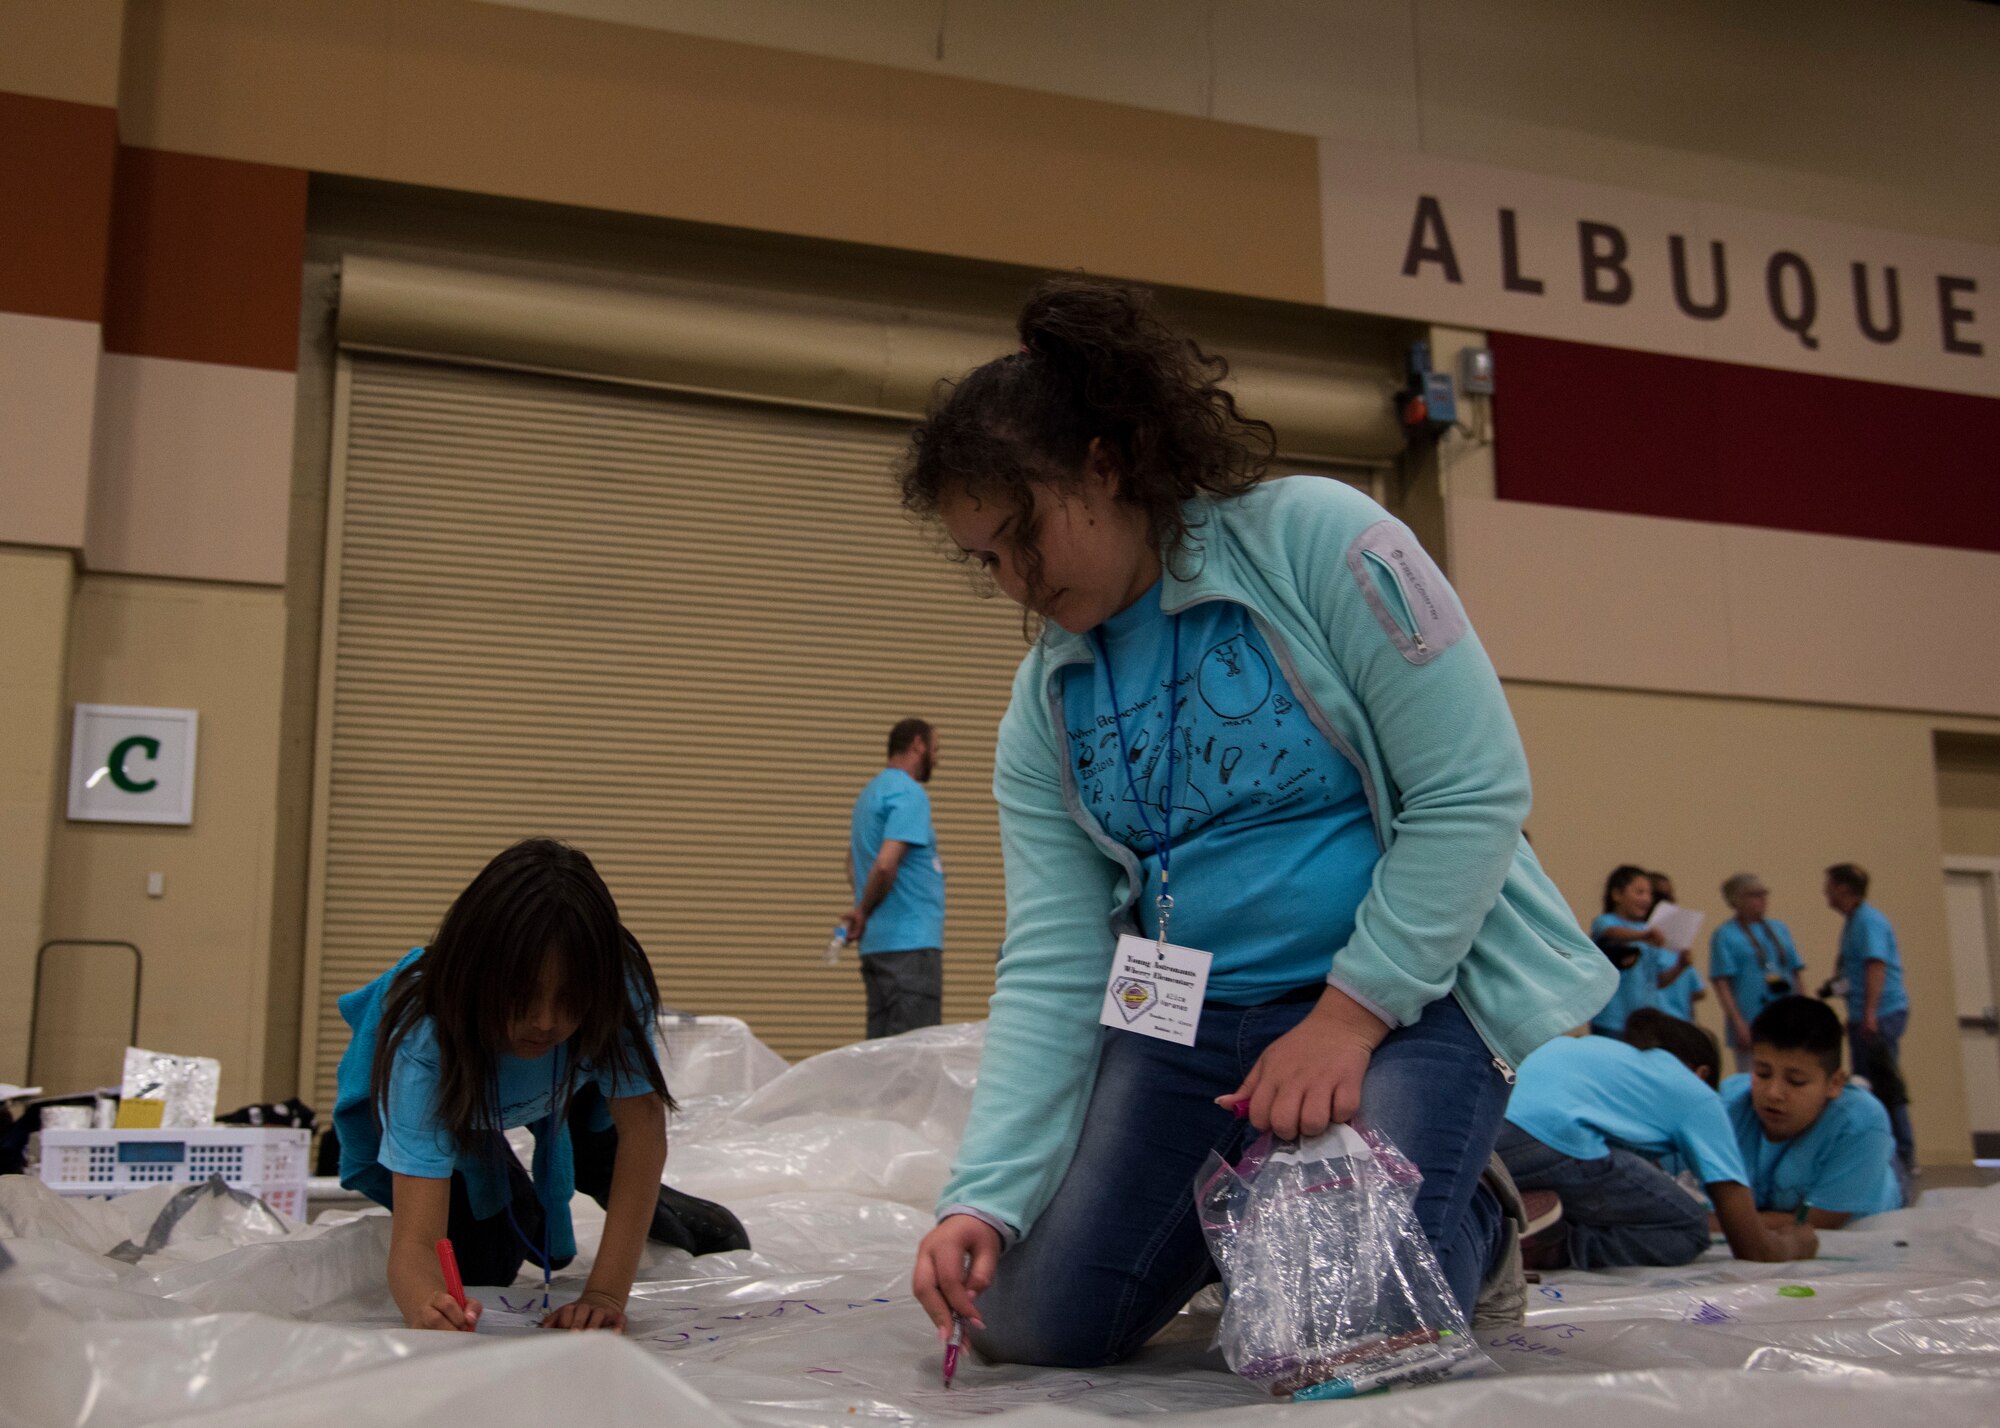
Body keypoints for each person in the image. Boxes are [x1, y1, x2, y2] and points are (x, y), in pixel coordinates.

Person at [895, 276, 1616, 1368]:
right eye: (984, 560)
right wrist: (981, 1203)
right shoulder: (1042, 708)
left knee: (1339, 1332)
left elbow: (1471, 795)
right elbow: (1050, 959)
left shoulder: (1322, 542)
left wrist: (1347, 1016)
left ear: (1104, 463)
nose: (1012, 586)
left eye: (1021, 538)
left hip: (1400, 1008)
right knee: (1023, 1325)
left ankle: (1475, 1221)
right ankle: (1269, 1217)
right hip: (1187, 1027)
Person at [332, 839, 748, 1333]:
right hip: (465, 1096)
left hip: (571, 1089)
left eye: (572, 999)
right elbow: (417, 1241)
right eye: (520, 996)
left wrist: (605, 1294)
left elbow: (642, 1133)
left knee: (626, 1173)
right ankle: (512, 1193)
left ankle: (662, 1203)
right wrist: (426, 1303)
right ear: (475, 976)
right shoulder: (427, 1039)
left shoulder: (615, 986)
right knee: (487, 1262)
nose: (546, 1022)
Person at [1498, 1010, 1819, 1269]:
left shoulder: (1588, 1054)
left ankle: (1500, 1221)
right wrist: (1799, 1241)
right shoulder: (1697, 1095)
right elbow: (1752, 1247)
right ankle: (1551, 1247)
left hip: (1485, 1138)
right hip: (1555, 1140)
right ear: (1702, 1074)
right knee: (1688, 1229)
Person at [1723, 996, 1903, 1223]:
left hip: (1862, 1220)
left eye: (1796, 1081)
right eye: (1762, 1073)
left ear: (1835, 1083)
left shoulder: (1861, 1123)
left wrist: (1725, 1220)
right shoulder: (1727, 1106)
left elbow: (1816, 1220)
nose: (1773, 1093)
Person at [840, 718, 948, 1038]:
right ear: (918, 745)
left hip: (877, 948)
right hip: (910, 947)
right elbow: (886, 864)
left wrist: (863, 906)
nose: (937, 759)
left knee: (882, 1062)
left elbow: (851, 862)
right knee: (914, 1062)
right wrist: (863, 911)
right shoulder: (908, 792)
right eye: (936, 749)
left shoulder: (869, 795)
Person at [1823, 862, 1916, 1174]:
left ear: (1844, 888)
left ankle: (1903, 1153)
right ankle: (1884, 1151)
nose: (1826, 892)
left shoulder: (1867, 921)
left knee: (1885, 1083)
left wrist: (1870, 1014)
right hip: (1864, 1012)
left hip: (1881, 1012)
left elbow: (1875, 966)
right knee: (1869, 1083)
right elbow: (1852, 971)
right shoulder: (1854, 921)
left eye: (1830, 886)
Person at [1709, 872, 1805, 1073]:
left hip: (1786, 1015)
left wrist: (1804, 1010)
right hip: (1751, 1017)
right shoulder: (1725, 935)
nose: (1762, 900)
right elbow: (1722, 983)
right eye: (1754, 895)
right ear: (1736, 900)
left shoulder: (1779, 929)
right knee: (1754, 1074)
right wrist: (1738, 1023)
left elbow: (1795, 971)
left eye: (1764, 894)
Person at [1589, 865, 1673, 1035]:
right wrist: (1643, 936)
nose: (1647, 899)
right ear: (1617, 895)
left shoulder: (1647, 930)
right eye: (1639, 892)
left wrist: (1681, 965)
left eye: (1650, 894)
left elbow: (1658, 980)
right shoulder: (1605, 922)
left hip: (1647, 1021)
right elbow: (1612, 933)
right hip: (1612, 1020)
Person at [1647, 871, 1707, 1020]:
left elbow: (1697, 991)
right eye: (1663, 897)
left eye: (1671, 896)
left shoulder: (1677, 943)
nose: (1671, 902)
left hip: (1680, 1023)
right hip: (1654, 1023)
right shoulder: (1639, 940)